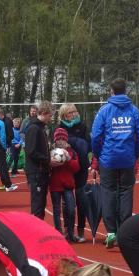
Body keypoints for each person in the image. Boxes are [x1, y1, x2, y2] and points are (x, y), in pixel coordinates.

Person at [90, 79, 139, 249]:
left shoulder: (104, 110)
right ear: (125, 90)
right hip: (127, 158)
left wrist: (98, 154)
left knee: (108, 192)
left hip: (108, 158)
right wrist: (136, 152)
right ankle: (124, 232)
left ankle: (111, 232)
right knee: (126, 192)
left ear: (111, 91)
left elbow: (95, 136)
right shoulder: (134, 110)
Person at [58, 103, 91, 241]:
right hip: (66, 168)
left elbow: (89, 145)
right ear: (64, 115)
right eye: (71, 112)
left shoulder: (82, 126)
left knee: (81, 199)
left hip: (81, 167)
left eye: (75, 111)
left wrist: (75, 144)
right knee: (67, 201)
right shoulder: (60, 127)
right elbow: (58, 145)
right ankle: (68, 231)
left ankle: (81, 231)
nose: (74, 114)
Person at [48, 128, 80, 240]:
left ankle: (70, 232)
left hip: (68, 185)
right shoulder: (51, 152)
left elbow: (76, 168)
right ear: (55, 140)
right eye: (58, 139)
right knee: (57, 210)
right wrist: (50, 164)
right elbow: (46, 168)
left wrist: (68, 159)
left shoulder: (71, 152)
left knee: (71, 209)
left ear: (66, 140)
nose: (61, 141)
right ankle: (58, 232)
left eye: (63, 139)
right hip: (55, 185)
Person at [23, 100, 53, 220]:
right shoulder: (34, 128)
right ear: (44, 113)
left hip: (42, 171)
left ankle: (38, 228)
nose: (51, 118)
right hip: (36, 172)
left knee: (41, 204)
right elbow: (31, 151)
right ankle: (34, 229)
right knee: (37, 206)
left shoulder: (41, 128)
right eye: (50, 115)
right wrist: (48, 160)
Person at [0, 106, 17, 192]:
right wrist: (4, 147)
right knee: (3, 166)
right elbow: (3, 137)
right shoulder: (0, 123)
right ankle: (8, 185)